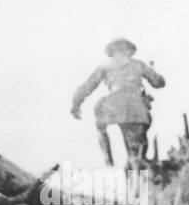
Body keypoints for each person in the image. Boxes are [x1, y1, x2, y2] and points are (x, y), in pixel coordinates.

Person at [70, 38, 164, 167]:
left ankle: (109, 162)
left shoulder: (106, 65)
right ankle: (136, 175)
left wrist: (76, 104)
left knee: (100, 126)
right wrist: (153, 72)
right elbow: (159, 83)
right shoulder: (139, 64)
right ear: (129, 51)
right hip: (136, 109)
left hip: (114, 106)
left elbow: (88, 86)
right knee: (136, 153)